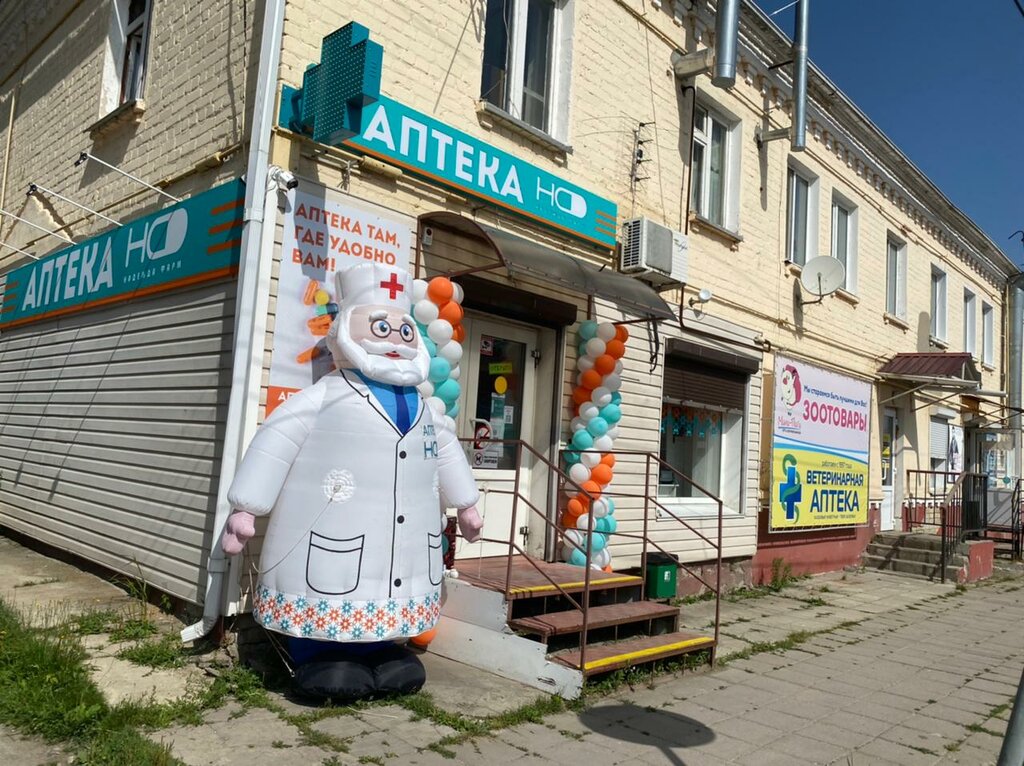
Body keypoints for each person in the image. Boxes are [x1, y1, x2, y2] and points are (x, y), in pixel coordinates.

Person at [221, 262, 482, 700]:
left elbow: (448, 453)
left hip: (403, 541)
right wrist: (247, 506)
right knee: (332, 585)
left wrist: (467, 503)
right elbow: (276, 441)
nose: (395, 342)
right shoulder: (325, 395)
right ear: (344, 335)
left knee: (387, 584)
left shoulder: (422, 406)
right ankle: (315, 654)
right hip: (335, 530)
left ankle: (381, 650)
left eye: (403, 333)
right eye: (381, 329)